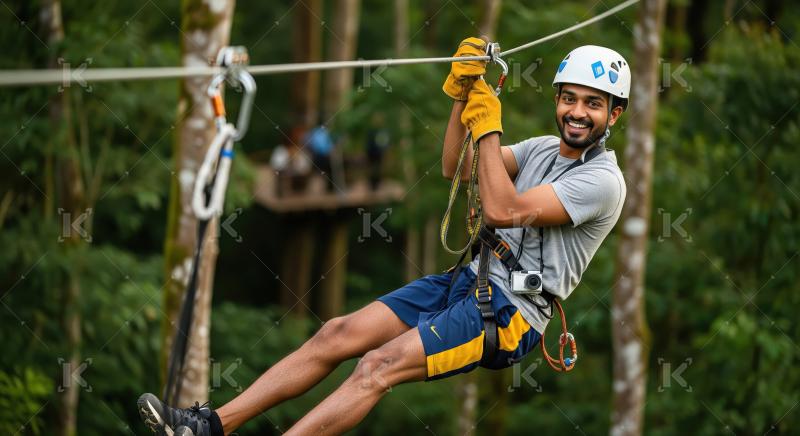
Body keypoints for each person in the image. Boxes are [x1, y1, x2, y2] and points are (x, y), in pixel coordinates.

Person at [137, 38, 629, 436]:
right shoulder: (542, 149)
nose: (577, 112)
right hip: (471, 281)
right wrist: (463, 97)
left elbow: (502, 210)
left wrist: (491, 126)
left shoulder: (603, 182)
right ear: (558, 100)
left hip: (509, 316)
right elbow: (453, 166)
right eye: (570, 99)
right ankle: (209, 426)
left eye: (593, 104)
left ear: (614, 114)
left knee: (377, 366)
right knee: (337, 333)